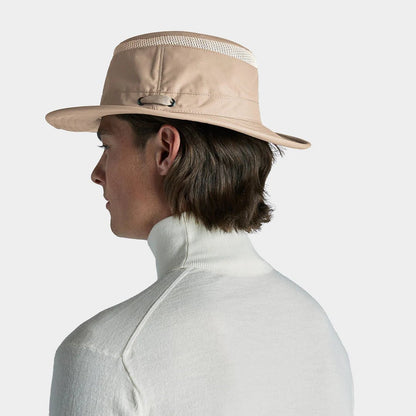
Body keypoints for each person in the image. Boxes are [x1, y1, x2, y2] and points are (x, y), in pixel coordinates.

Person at [45, 31, 354, 415]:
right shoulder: (317, 328)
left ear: (165, 150)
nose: (97, 173)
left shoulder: (108, 353)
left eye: (106, 146)